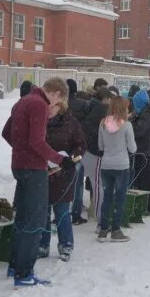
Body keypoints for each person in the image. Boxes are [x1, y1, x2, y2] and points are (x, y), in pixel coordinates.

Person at [2, 77, 72, 287]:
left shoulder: (22, 101)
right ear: (57, 94)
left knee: (22, 218)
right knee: (35, 221)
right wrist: (61, 159)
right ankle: (24, 273)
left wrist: (20, 150)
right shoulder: (40, 104)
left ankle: (15, 265)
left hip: (19, 166)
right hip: (33, 169)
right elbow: (37, 142)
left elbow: (7, 132)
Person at [39, 100, 86, 260]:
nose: (49, 108)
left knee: (62, 210)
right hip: (43, 172)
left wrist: (72, 157)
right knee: (43, 211)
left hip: (63, 172)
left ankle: (66, 245)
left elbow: (80, 145)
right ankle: (42, 245)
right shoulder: (40, 120)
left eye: (53, 105)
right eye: (48, 105)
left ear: (61, 106)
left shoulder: (71, 123)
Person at [97, 96, 137, 242]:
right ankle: (115, 230)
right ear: (123, 108)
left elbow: (100, 146)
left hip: (106, 165)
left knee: (106, 197)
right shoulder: (126, 126)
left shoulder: (102, 123)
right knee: (119, 198)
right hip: (121, 166)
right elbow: (133, 148)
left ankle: (103, 230)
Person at [81, 87, 112, 225]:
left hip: (88, 150)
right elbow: (92, 128)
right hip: (96, 152)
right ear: (107, 99)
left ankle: (95, 212)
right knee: (99, 185)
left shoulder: (90, 106)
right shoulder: (102, 109)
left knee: (95, 184)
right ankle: (101, 218)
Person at [66, 79, 89, 225]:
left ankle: (61, 213)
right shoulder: (84, 105)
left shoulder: (59, 105)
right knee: (78, 183)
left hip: (62, 148)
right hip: (78, 147)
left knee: (62, 182)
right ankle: (76, 214)